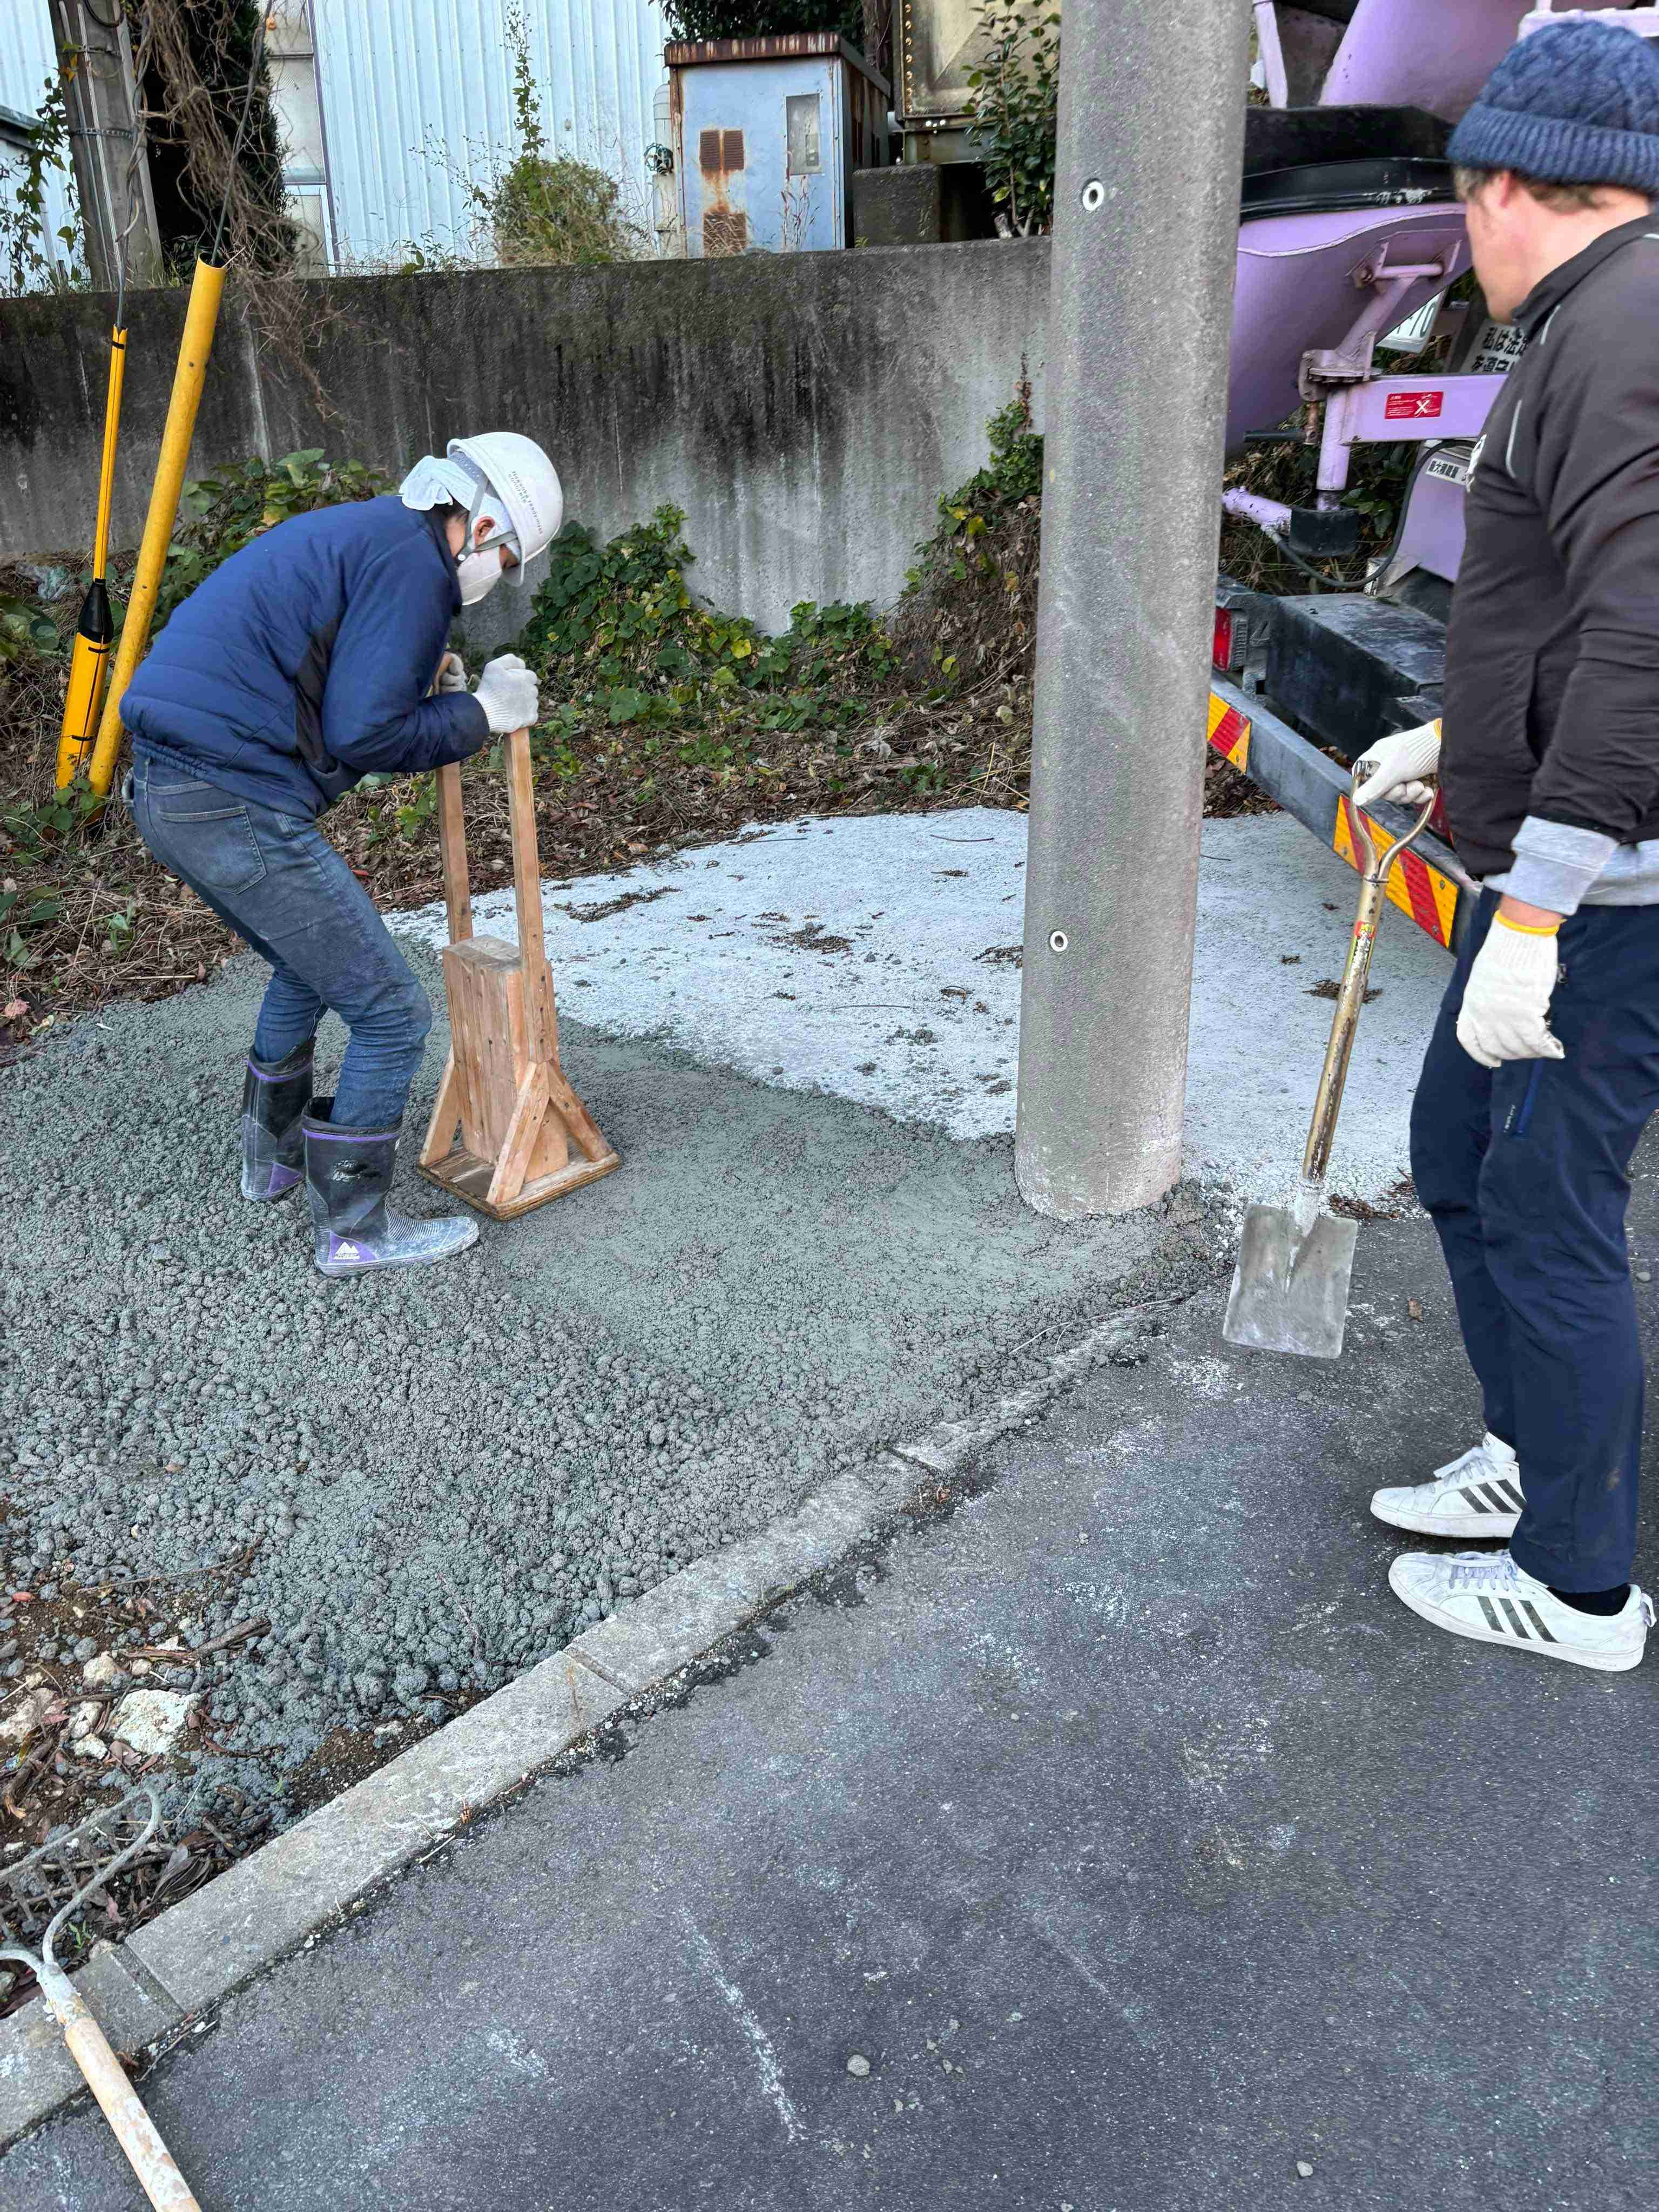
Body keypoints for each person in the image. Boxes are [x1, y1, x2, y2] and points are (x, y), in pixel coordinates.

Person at [1353, 18, 1659, 1671]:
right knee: (1461, 1158)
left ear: (1513, 185)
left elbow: (1647, 634)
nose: (1458, 232)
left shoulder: (1629, 327)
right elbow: (1554, 609)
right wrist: (1457, 748)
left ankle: (1579, 1583)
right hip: (1555, 853)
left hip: (1609, 895)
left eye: (1463, 197)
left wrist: (1538, 908)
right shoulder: (1584, 322)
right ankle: (1531, 1460)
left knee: (1544, 1204)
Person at [123, 431, 559, 1277]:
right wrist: (484, 715)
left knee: (309, 965)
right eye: (506, 558)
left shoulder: (364, 534)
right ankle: (356, 1230)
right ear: (479, 521)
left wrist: (432, 692)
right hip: (230, 798)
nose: (495, 577)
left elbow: (344, 691)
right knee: (393, 1013)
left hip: (167, 793)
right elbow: (369, 731)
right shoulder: (413, 567)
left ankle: (272, 1160)